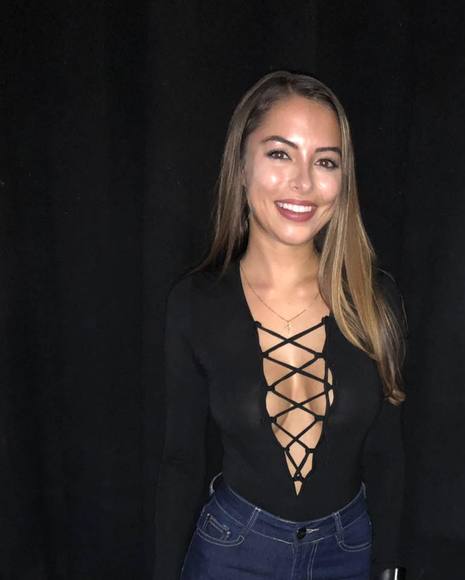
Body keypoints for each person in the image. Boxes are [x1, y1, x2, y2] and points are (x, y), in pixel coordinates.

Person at [153, 70, 408, 580]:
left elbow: (387, 453)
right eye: (280, 153)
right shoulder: (196, 303)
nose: (304, 182)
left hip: (347, 553)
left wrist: (390, 566)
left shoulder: (372, 298)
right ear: (241, 163)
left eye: (326, 161)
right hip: (231, 553)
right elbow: (180, 461)